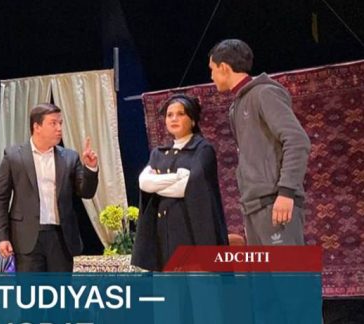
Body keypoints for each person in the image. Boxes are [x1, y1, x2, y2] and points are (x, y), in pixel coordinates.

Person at [208, 39, 310, 245]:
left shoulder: (265, 93)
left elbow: (297, 140)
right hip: (254, 206)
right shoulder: (236, 106)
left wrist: (286, 192)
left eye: (212, 69)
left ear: (224, 67)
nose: (211, 76)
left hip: (274, 202)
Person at [0, 103, 99, 272]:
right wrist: (2, 237)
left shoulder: (69, 157)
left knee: (60, 288)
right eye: (53, 123)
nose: (59, 128)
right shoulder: (14, 157)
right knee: (30, 289)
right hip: (26, 238)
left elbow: (86, 192)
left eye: (60, 123)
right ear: (37, 127)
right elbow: (0, 199)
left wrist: (90, 169)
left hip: (61, 237)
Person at [132, 94, 228, 271]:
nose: (174, 118)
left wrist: (159, 183)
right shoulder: (158, 153)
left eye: (180, 114)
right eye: (169, 115)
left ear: (192, 120)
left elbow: (188, 187)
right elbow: (145, 183)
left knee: (198, 287)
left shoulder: (202, 150)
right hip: (164, 240)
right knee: (169, 288)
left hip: (192, 237)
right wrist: (177, 177)